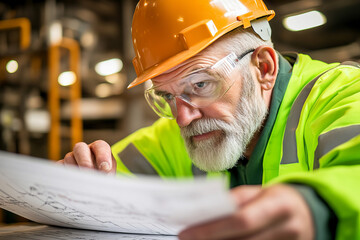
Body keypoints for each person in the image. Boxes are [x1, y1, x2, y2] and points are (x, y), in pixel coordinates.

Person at [58, 0, 360, 239]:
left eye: (201, 85)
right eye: (167, 97)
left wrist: (318, 208)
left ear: (264, 68)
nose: (182, 118)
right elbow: (107, 177)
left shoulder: (342, 95)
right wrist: (78, 184)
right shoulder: (176, 137)